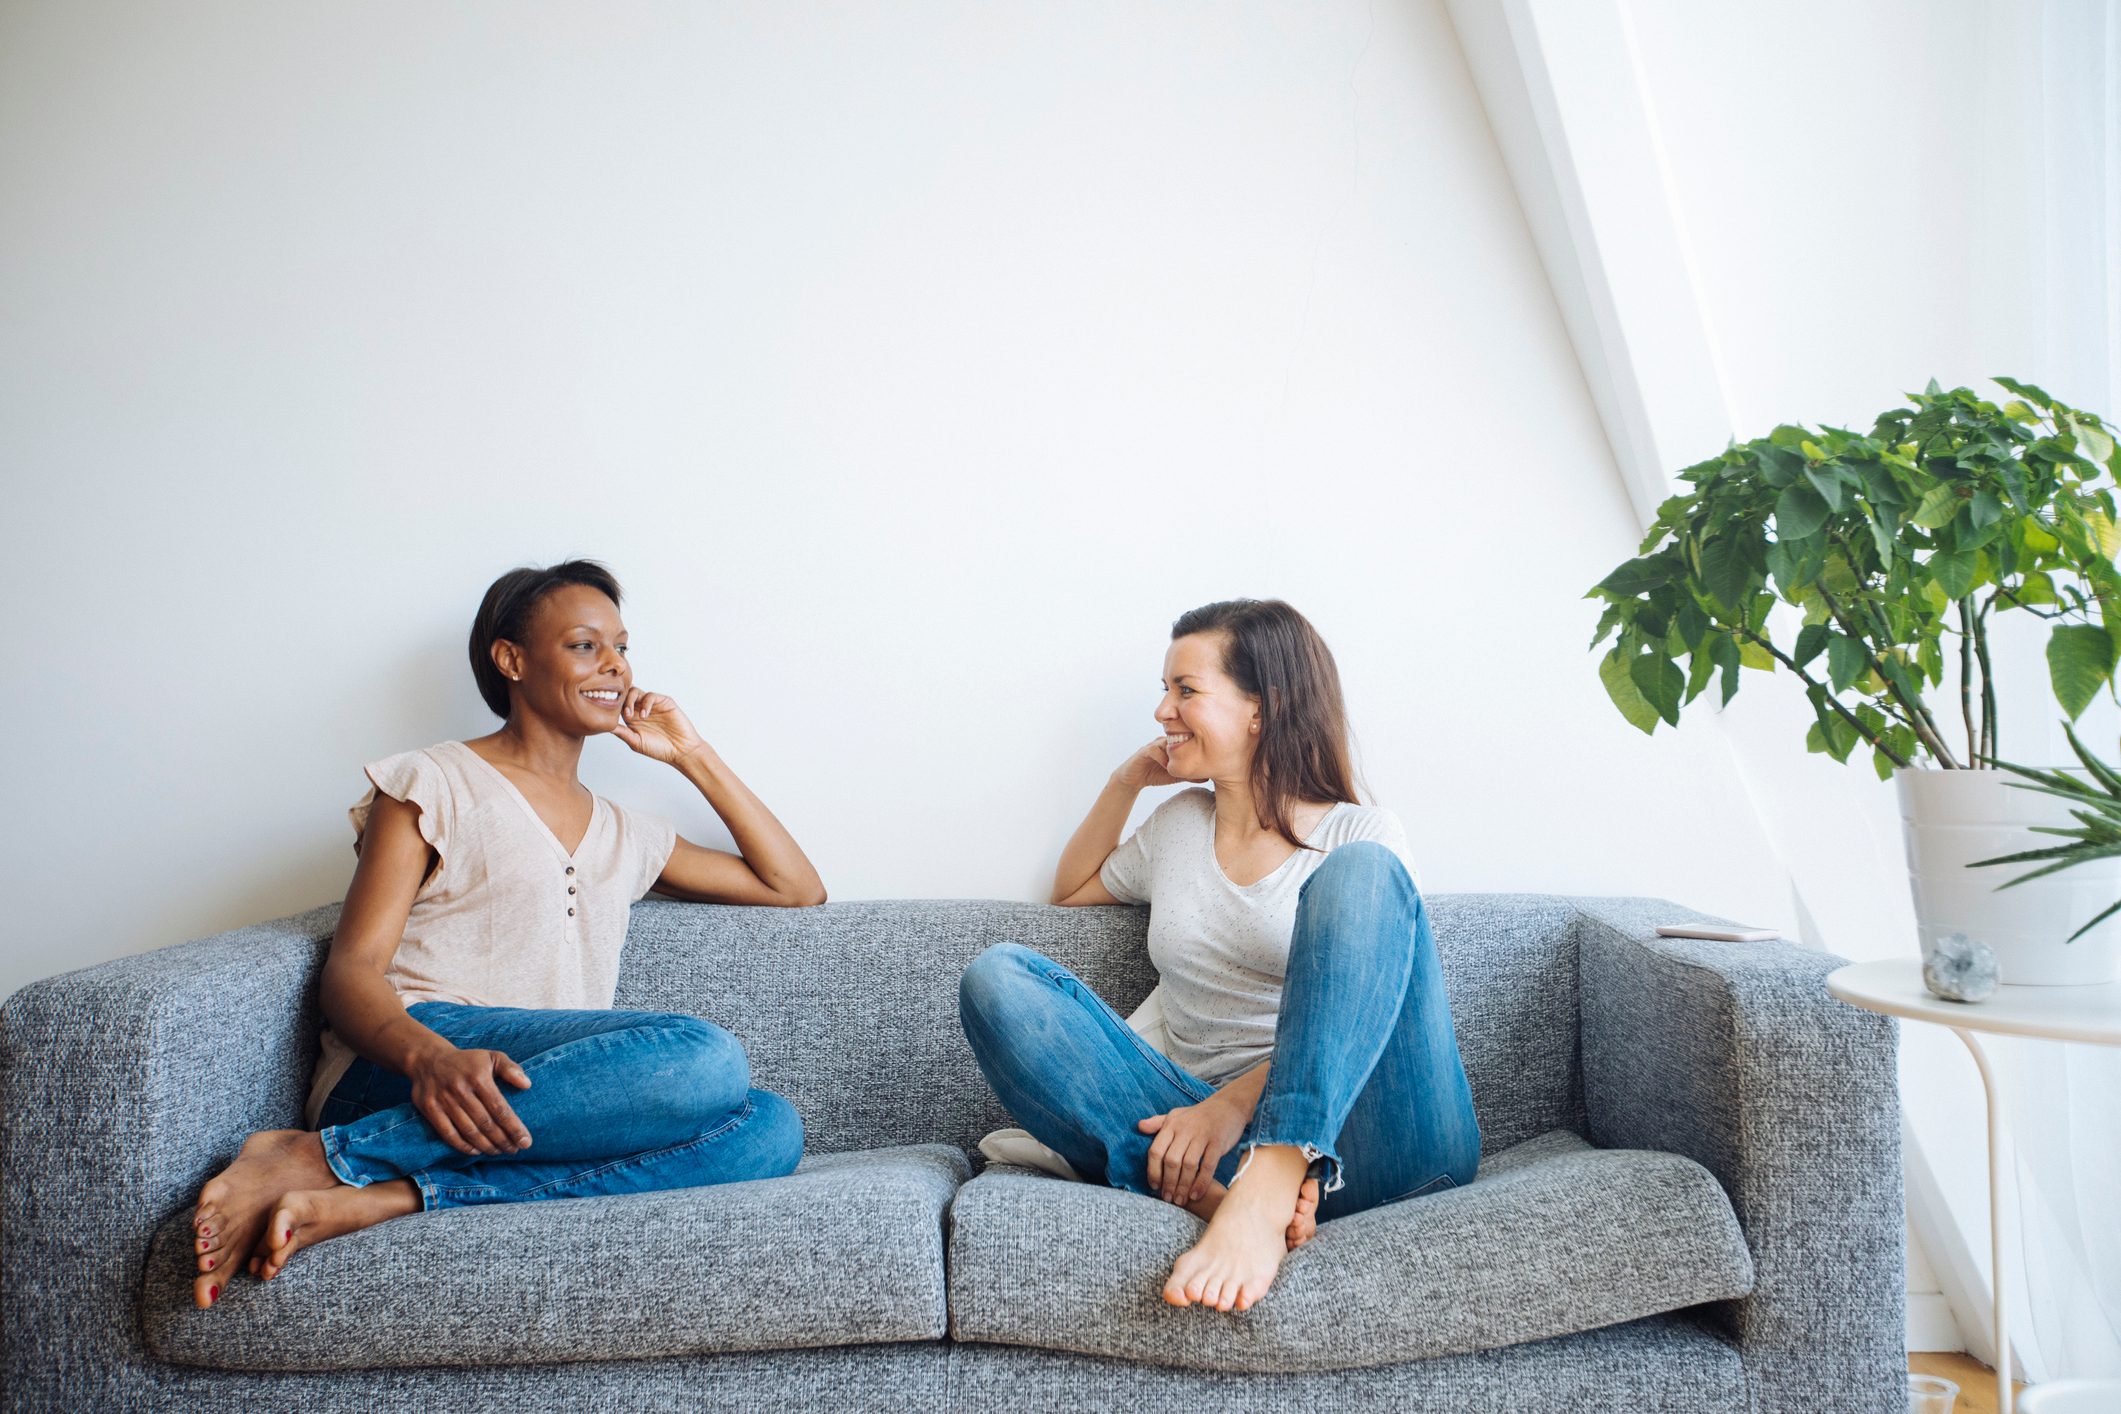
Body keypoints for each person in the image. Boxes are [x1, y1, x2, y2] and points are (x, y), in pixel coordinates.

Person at [189, 560, 824, 1308]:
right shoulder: (432, 782)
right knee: (707, 1058)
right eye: (586, 646)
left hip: (539, 1097)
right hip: (408, 1060)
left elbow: (795, 887)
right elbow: (352, 970)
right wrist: (430, 1057)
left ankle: (389, 1191)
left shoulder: (628, 833)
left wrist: (689, 753)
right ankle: (328, 1153)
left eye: (622, 648)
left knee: (770, 1129)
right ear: (512, 660)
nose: (615, 666)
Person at [958, 598, 1480, 1313]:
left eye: (1185, 690)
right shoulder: (1177, 827)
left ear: (1260, 710)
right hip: (1203, 1145)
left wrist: (1233, 1110)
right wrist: (1124, 784)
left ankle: (1271, 1179)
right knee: (997, 979)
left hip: (1378, 1136)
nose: (1162, 711)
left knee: (1360, 874)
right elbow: (1074, 888)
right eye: (1164, 690)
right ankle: (1221, 1199)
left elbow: (1380, 1011)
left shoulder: (1360, 834)